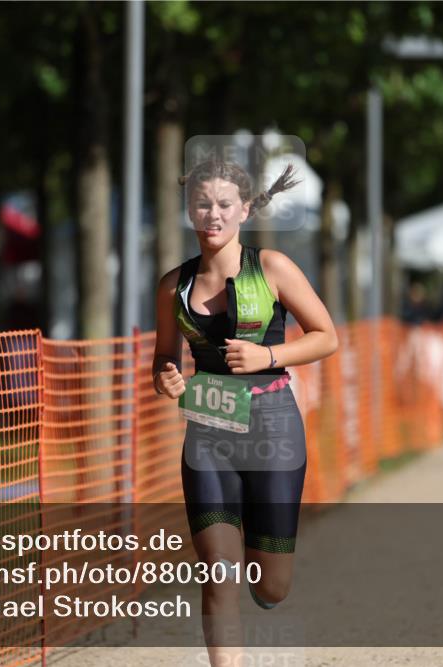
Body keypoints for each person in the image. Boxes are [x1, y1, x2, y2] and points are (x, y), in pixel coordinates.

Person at [151, 158, 338, 662]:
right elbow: (163, 359)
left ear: (245, 209)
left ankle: (268, 583)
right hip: (209, 430)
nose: (212, 215)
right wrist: (167, 378)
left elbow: (327, 337)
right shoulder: (173, 286)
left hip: (273, 427)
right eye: (202, 204)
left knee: (271, 585)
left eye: (224, 204)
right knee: (219, 571)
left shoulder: (272, 267)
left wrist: (268, 356)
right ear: (189, 209)